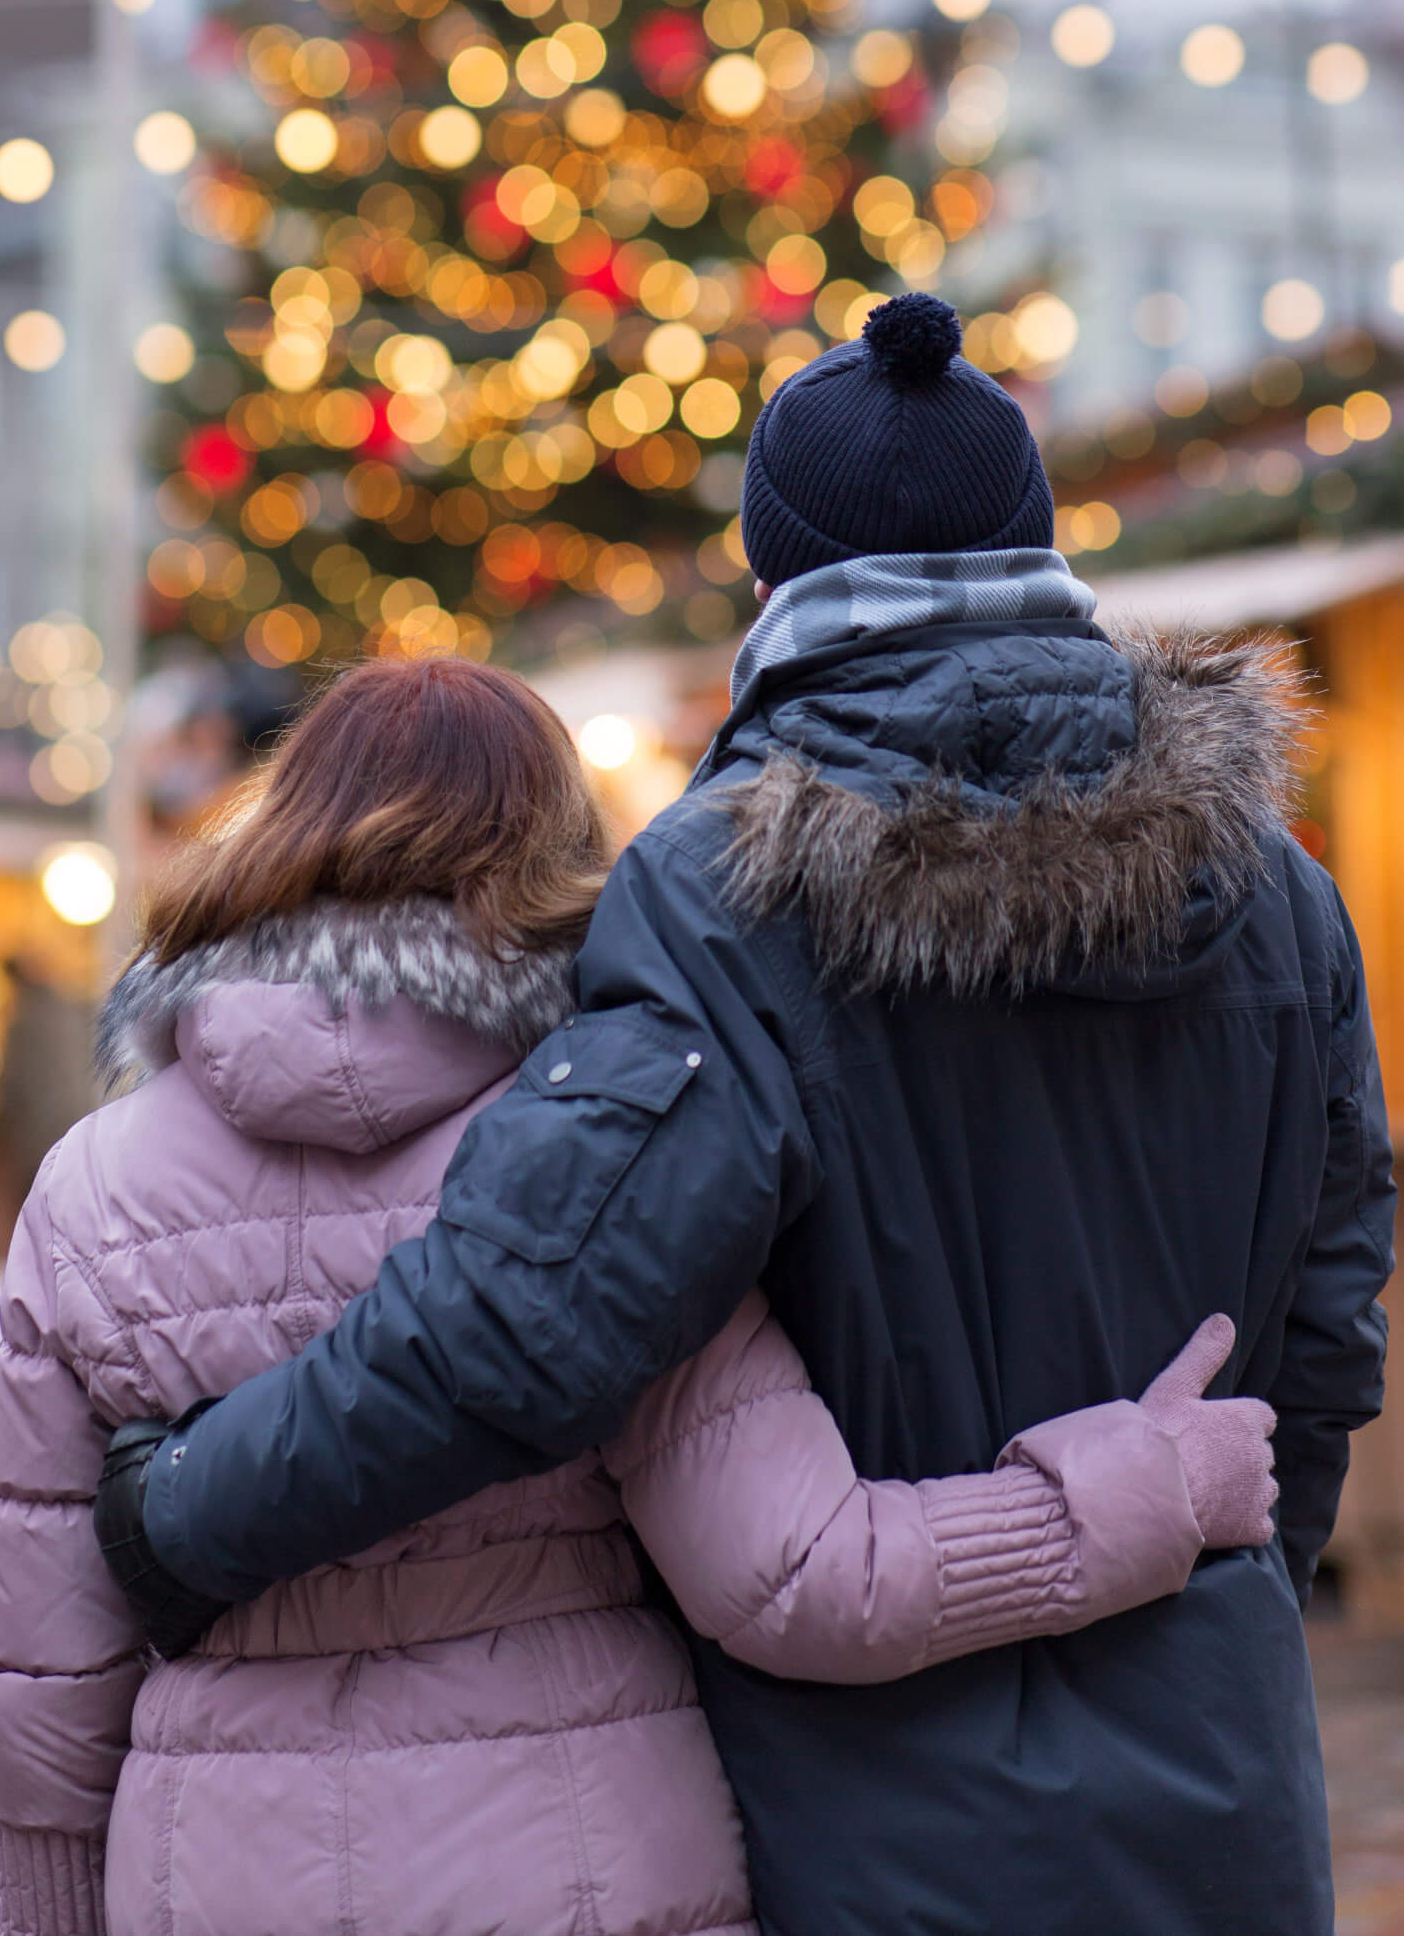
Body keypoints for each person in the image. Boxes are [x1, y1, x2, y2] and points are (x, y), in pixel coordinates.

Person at [98, 294, 1393, 1936]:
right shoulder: (1276, 889)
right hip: (1224, 1795)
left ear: (776, 582)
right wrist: (1222, 1584)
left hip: (878, 1828)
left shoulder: (730, 889)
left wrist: (187, 1515)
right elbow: (1329, 1324)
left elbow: (528, 1313)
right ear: (1036, 546)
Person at [0, 655, 1278, 1936]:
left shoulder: (92, 1186)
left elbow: (36, 1671)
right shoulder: (610, 1160)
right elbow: (807, 1574)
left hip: (213, 1871)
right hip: (576, 1855)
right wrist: (1141, 1490)